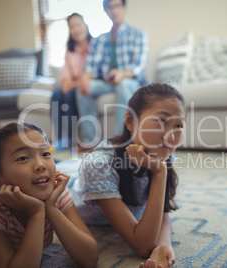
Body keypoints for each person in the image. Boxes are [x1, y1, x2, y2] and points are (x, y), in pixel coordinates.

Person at [70, 83, 186, 268]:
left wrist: (164, 244)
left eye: (178, 125)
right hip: (80, 197)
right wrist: (159, 172)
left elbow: (162, 210)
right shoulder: (99, 166)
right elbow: (142, 245)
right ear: (130, 121)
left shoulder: (162, 152)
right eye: (161, 121)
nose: (170, 136)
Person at [0, 122, 99, 267]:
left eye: (46, 154)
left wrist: (51, 208)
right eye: (23, 158)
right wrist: (37, 213)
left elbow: (90, 258)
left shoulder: (54, 190)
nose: (41, 165)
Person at [76, 0, 149, 151]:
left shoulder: (138, 34)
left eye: (117, 6)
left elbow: (138, 67)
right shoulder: (100, 39)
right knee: (83, 88)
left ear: (124, 8)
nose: (114, 11)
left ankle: (119, 140)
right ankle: (91, 141)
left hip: (129, 81)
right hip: (107, 82)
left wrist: (121, 74)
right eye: (110, 7)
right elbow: (92, 66)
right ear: (106, 11)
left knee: (123, 85)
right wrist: (84, 77)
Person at [51, 13, 92, 151]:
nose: (76, 29)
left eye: (78, 25)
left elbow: (93, 72)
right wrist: (66, 82)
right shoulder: (70, 50)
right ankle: (60, 138)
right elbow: (66, 73)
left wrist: (73, 84)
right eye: (72, 27)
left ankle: (69, 137)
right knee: (56, 94)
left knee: (69, 95)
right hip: (73, 83)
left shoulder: (95, 46)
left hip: (84, 83)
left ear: (85, 25)